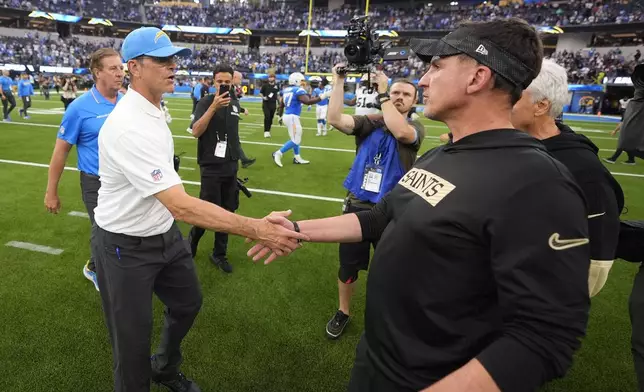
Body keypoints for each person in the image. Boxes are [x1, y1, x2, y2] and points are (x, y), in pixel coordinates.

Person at [249, 19, 591, 392]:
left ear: (477, 78)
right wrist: (295, 230)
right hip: (376, 361)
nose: (424, 80)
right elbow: (381, 217)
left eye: (436, 66)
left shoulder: (538, 183)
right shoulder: (441, 154)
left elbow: (545, 337)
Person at [92, 27, 306, 392]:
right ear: (135, 67)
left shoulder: (152, 109)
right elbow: (179, 205)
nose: (173, 66)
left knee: (188, 302)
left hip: (163, 234)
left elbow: (169, 193)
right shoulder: (128, 125)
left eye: (174, 59)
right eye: (162, 60)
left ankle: (164, 366)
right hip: (124, 246)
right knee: (130, 348)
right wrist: (257, 227)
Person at [324, 69, 425, 339]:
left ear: (414, 101)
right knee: (348, 266)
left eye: (406, 94)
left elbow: (401, 132)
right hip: (358, 205)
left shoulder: (415, 127)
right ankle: (343, 311)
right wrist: (339, 81)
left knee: (392, 267)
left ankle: (389, 313)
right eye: (396, 93)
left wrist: (383, 94)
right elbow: (334, 118)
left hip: (393, 209)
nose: (399, 97)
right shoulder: (370, 122)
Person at [511, 59, 623, 298]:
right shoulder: (504, 145)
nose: (498, 101)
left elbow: (597, 261)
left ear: (541, 106)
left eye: (512, 94)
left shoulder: (583, 170)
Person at [44, 48, 125, 291]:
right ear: (97, 72)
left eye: (121, 68)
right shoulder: (79, 108)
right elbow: (60, 152)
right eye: (113, 68)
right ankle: (95, 269)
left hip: (125, 180)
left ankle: (107, 263)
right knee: (102, 228)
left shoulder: (128, 102)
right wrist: (51, 192)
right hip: (95, 181)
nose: (120, 73)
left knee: (122, 228)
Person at [187, 64, 246, 273]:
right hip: (211, 166)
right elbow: (195, 132)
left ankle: (219, 254)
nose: (223, 85)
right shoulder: (205, 102)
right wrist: (213, 107)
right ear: (214, 82)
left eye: (227, 82)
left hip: (230, 166)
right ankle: (191, 242)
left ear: (232, 82)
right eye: (220, 82)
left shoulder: (234, 103)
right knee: (207, 213)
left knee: (228, 212)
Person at [272, 72, 329, 167]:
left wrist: (279, 116)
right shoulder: (298, 90)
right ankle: (278, 153)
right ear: (296, 81)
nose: (303, 83)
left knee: (295, 138)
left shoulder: (286, 90)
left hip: (287, 116)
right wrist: (323, 96)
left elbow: (281, 105)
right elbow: (308, 101)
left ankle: (297, 157)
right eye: (301, 81)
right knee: (296, 140)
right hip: (292, 117)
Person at [260, 73, 280, 138]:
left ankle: (268, 130)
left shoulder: (276, 86)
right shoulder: (265, 85)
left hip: (273, 104)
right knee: (267, 116)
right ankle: (266, 131)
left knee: (271, 118)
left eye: (272, 77)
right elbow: (260, 93)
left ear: (274, 78)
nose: (270, 78)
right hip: (266, 103)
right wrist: (263, 97)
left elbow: (277, 95)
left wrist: (279, 103)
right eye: (270, 77)